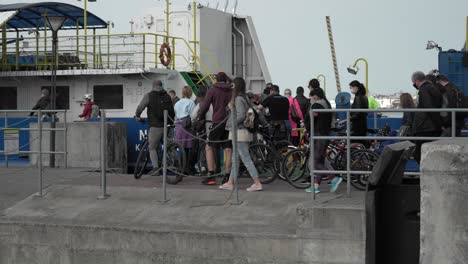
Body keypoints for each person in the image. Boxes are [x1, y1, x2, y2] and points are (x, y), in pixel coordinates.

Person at [220, 77, 263, 192]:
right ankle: (230, 182)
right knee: (236, 158)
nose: (231, 86)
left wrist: (230, 121)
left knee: (244, 158)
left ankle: (257, 182)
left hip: (239, 132)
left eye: (233, 85)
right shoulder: (245, 98)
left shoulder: (238, 99)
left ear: (236, 86)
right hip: (243, 132)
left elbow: (240, 115)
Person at [198, 72, 233, 185]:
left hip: (217, 122)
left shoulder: (213, 90)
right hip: (229, 122)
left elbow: (205, 106)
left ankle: (211, 175)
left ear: (216, 80)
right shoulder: (232, 90)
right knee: (228, 149)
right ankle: (228, 177)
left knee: (209, 147)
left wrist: (200, 118)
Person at [135, 80, 175, 176]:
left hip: (155, 126)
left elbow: (140, 107)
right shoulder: (167, 96)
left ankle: (156, 169)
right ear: (162, 86)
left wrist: (137, 115)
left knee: (152, 147)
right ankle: (175, 165)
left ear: (153, 86)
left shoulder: (149, 95)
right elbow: (172, 111)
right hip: (168, 126)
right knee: (169, 147)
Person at [304, 87, 340, 194]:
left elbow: (311, 120)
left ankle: (334, 178)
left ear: (315, 96)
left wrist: (306, 127)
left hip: (318, 136)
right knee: (319, 160)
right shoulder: (326, 103)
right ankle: (315, 186)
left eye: (311, 96)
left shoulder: (316, 105)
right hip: (325, 135)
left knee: (315, 162)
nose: (311, 98)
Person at [411, 71, 442, 164]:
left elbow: (429, 107)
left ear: (416, 81)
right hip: (432, 127)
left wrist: (437, 124)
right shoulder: (432, 88)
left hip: (425, 127)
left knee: (417, 154)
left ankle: (427, 173)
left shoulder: (424, 90)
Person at [174, 86, 196, 175]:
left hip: (178, 126)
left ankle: (180, 168)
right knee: (188, 148)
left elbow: (175, 115)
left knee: (181, 147)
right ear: (190, 93)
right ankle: (187, 168)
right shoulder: (191, 102)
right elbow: (193, 115)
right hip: (187, 126)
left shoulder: (177, 103)